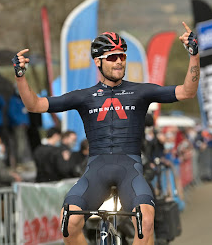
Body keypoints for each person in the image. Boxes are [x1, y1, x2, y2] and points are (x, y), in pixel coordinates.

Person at [12, 22, 200, 245]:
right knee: (68, 223)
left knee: (146, 223)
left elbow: (187, 91)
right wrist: (21, 77)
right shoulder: (84, 96)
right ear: (98, 62)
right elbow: (34, 105)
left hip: (130, 169)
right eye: (112, 57)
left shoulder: (141, 91)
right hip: (96, 170)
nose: (119, 61)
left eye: (122, 56)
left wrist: (193, 55)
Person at [8, 84, 32, 167]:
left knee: (23, 143)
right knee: (19, 144)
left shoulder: (22, 100)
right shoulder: (14, 100)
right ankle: (19, 162)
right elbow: (12, 113)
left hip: (24, 125)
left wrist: (26, 122)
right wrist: (19, 122)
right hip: (18, 125)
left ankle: (22, 160)